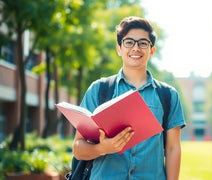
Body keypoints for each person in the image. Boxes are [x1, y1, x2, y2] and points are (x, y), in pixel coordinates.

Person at [72, 16, 186, 180]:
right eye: (129, 42)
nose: (136, 48)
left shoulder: (167, 95)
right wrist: (103, 148)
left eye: (143, 43)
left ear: (151, 50)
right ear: (119, 48)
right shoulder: (99, 90)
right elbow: (78, 148)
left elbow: (173, 148)